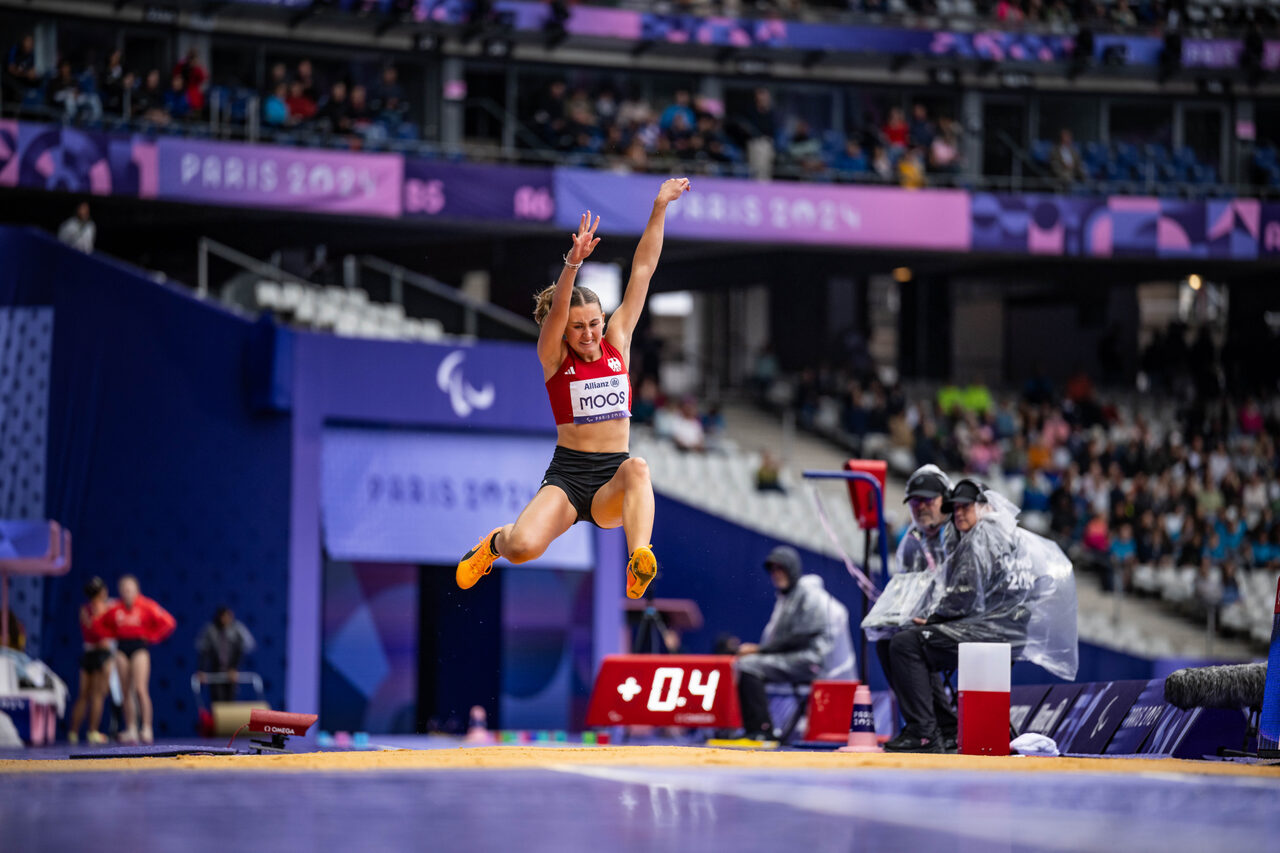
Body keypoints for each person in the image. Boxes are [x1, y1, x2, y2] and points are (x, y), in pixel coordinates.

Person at [456, 178, 692, 599]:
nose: (587, 334)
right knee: (524, 547)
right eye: (577, 327)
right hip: (568, 476)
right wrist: (572, 264)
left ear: (604, 320)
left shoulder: (617, 341)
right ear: (565, 331)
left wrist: (658, 208)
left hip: (610, 480)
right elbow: (557, 315)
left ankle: (639, 561)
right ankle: (493, 543)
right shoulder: (554, 356)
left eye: (593, 324)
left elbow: (643, 270)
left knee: (639, 467)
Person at [865, 465, 958, 749]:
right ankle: (942, 727)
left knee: (906, 644)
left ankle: (924, 732)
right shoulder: (912, 542)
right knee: (886, 641)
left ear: (946, 499)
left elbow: (970, 590)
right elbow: (904, 591)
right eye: (915, 502)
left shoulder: (959, 532)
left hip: (963, 623)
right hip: (932, 623)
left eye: (928, 500)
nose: (920, 507)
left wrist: (937, 618)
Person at [735, 545, 850, 740]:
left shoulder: (808, 595)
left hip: (811, 661)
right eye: (773, 570)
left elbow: (800, 638)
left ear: (792, 569)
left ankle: (761, 731)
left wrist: (760, 651)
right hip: (797, 657)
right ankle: (754, 729)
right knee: (745, 664)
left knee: (749, 666)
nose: (776, 574)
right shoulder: (787, 597)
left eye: (781, 568)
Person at [93, 575, 176, 744]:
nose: (127, 592)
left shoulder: (147, 605)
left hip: (140, 648)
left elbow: (169, 622)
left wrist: (152, 637)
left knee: (140, 689)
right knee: (125, 691)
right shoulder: (116, 608)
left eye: (130, 589)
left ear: (136, 590)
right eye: (124, 589)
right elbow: (97, 624)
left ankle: (146, 727)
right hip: (122, 648)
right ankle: (131, 728)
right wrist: (112, 635)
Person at [67, 578, 113, 745]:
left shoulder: (84, 610)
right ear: (102, 592)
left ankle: (72, 732)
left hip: (88, 653)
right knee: (98, 696)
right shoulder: (105, 608)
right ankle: (92, 732)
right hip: (102, 654)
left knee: (83, 695)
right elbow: (101, 633)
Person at [196, 606, 256, 703]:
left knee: (230, 700)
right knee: (217, 700)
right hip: (216, 671)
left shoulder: (237, 629)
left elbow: (246, 646)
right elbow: (204, 652)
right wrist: (201, 670)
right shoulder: (210, 630)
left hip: (231, 671)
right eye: (224, 616)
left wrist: (234, 668)